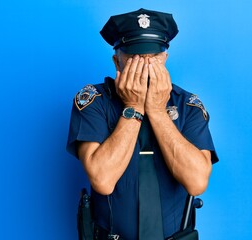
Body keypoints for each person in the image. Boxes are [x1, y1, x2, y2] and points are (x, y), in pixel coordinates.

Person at [67, 8, 218, 240]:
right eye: (136, 58)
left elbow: (197, 182)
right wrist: (134, 107)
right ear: (117, 62)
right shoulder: (93, 102)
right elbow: (102, 180)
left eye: (153, 58)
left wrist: (157, 111)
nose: (145, 67)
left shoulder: (188, 105)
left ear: (164, 59)